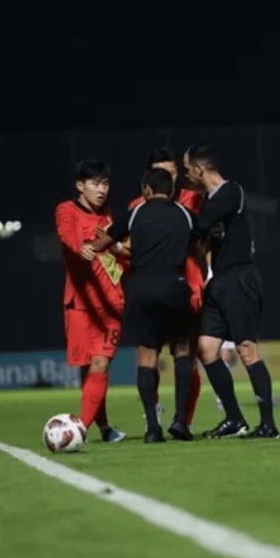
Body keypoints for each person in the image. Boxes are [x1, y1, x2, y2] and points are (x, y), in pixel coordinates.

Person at [93, 168, 200, 442]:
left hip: (142, 289)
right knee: (182, 352)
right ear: (172, 190)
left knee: (147, 357)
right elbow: (201, 239)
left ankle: (153, 427)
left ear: (147, 190)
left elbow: (106, 239)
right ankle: (180, 422)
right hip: (175, 286)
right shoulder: (185, 214)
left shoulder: (136, 213)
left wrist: (93, 247)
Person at [184, 142, 279, 439]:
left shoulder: (230, 192)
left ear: (200, 170)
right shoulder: (209, 200)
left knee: (247, 349)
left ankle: (268, 425)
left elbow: (199, 228)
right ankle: (235, 419)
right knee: (207, 349)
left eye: (187, 170)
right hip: (220, 280)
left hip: (240, 278)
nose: (186, 177)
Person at [127, 146, 205, 428]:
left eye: (172, 172)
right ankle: (155, 415)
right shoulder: (137, 206)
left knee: (190, 354)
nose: (169, 177)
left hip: (190, 285)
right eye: (162, 172)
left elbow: (203, 242)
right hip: (163, 286)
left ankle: (183, 418)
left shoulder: (194, 200)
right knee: (156, 353)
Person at [54, 158, 128, 444]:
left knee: (100, 364)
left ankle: (79, 431)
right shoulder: (67, 209)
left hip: (110, 304)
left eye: (106, 183)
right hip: (80, 303)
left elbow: (122, 260)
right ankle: (105, 428)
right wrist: (79, 247)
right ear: (80, 186)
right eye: (95, 183)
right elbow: (66, 234)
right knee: (89, 368)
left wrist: (124, 251)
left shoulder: (110, 221)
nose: (102, 189)